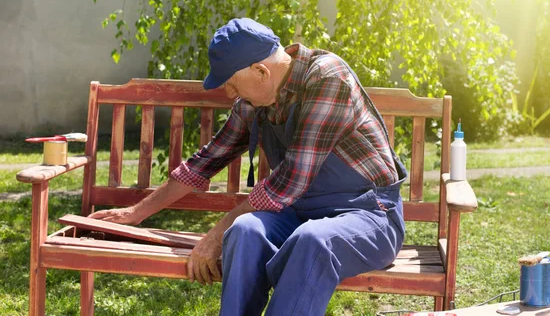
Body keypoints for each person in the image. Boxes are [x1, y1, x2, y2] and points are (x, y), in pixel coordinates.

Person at [90, 18, 407, 316]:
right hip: (298, 215)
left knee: (313, 240)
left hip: (369, 216)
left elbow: (291, 180)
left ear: (261, 71)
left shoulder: (327, 78)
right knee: (244, 230)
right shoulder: (254, 103)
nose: (228, 93)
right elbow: (206, 161)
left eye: (231, 83)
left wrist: (214, 236)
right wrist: (135, 214)